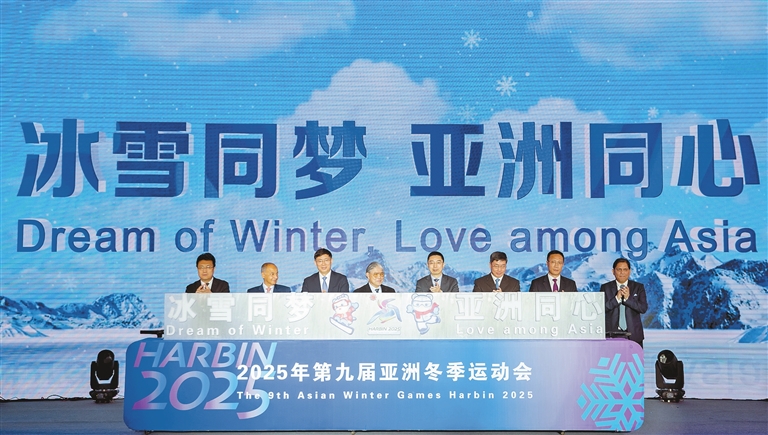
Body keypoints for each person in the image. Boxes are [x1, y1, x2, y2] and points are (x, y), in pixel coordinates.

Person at [601, 258, 648, 347]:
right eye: (619, 269)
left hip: (634, 335)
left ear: (629, 271)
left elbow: (643, 308)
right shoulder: (605, 287)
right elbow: (602, 309)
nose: (622, 272)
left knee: (634, 356)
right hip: (612, 335)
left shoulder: (638, 287)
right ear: (613, 271)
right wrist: (616, 298)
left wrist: (627, 299)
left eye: (625, 269)